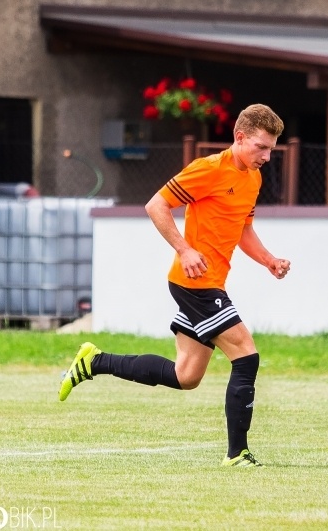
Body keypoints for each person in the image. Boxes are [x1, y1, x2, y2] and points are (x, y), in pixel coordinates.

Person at [58, 103, 290, 468]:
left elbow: (243, 230)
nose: (266, 156)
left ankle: (94, 362)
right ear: (239, 137)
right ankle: (237, 453)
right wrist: (184, 249)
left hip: (208, 283)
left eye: (271, 150)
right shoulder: (209, 169)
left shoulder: (253, 179)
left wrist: (269, 260)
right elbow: (156, 205)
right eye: (261, 147)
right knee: (246, 355)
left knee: (186, 376)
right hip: (196, 284)